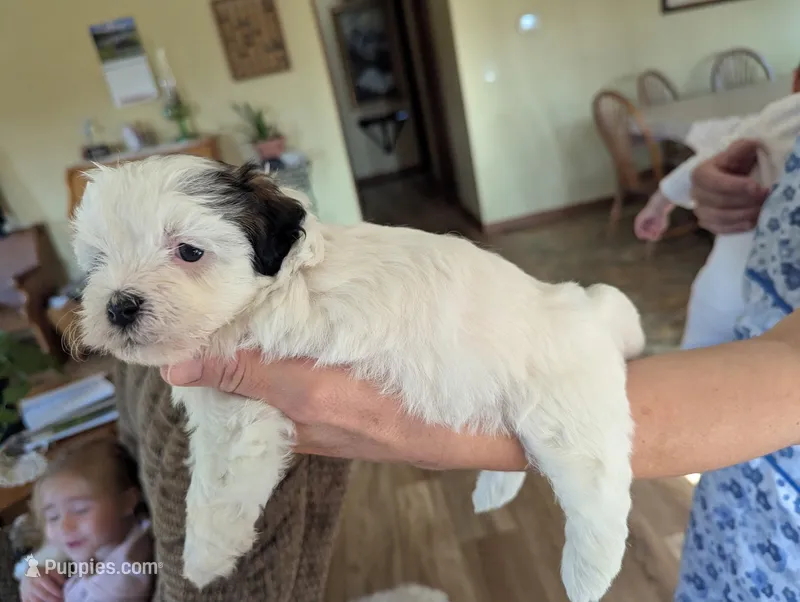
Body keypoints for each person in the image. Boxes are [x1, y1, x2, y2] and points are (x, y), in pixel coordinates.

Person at [634, 67, 800, 349]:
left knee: (700, 354)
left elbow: (711, 157)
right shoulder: (783, 116)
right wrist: (662, 200)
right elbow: (713, 161)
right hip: (738, 294)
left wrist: (660, 203)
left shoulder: (780, 116)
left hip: (732, 290)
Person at [19, 437, 154, 602]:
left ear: (127, 501)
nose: (64, 527)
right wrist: (31, 573)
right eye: (53, 517)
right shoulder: (102, 540)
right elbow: (32, 560)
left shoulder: (116, 587)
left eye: (80, 510)